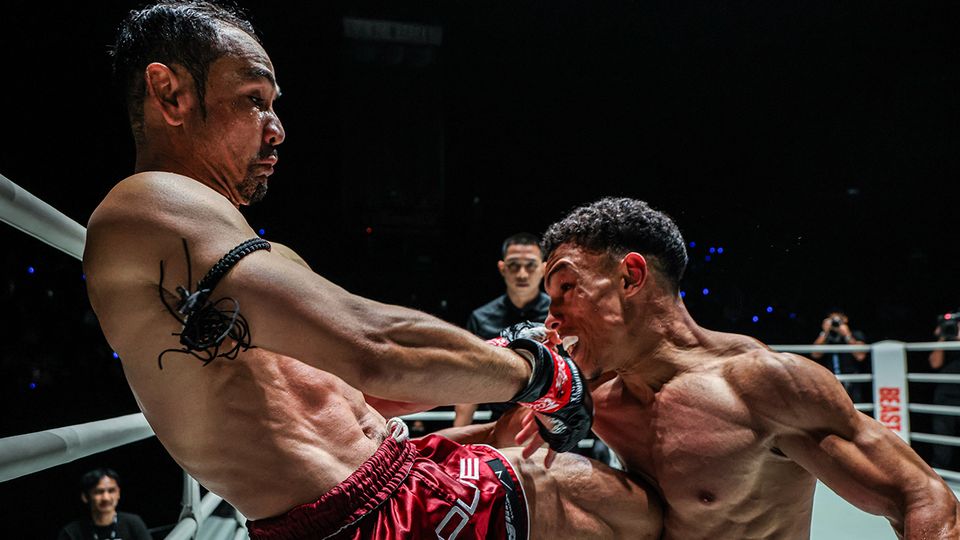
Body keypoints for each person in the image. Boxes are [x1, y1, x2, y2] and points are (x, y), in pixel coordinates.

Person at [83, 3, 659, 539]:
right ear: (172, 94)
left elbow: (355, 395)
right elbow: (372, 344)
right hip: (358, 515)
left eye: (274, 104)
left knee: (598, 488)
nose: (276, 128)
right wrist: (539, 372)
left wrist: (491, 410)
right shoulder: (146, 205)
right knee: (621, 506)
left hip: (393, 473)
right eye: (254, 98)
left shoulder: (244, 248)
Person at [512, 197, 958, 538]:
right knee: (526, 479)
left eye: (567, 288)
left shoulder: (761, 386)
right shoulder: (588, 394)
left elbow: (921, 496)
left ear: (630, 277)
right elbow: (483, 458)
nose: (551, 318)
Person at [455, 233, 550, 426]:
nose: (522, 274)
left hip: (551, 423)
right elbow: (469, 378)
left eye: (530, 265)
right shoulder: (481, 318)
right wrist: (457, 437)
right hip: (499, 424)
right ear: (502, 268)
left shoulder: (559, 315)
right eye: (514, 265)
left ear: (543, 269)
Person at [57, 468, 151, 540]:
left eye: (111, 491)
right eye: (99, 492)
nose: (106, 498)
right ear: (85, 496)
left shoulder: (133, 523)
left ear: (118, 493)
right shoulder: (71, 532)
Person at [811, 310, 870, 403]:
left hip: (852, 381)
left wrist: (847, 335)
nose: (835, 323)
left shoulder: (855, 334)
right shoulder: (825, 337)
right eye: (832, 320)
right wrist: (825, 332)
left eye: (838, 320)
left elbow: (860, 356)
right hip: (830, 380)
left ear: (845, 319)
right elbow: (815, 354)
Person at [928, 311, 960, 471]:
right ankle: (939, 474)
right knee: (942, 439)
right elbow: (934, 363)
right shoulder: (946, 338)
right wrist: (942, 337)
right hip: (946, 394)